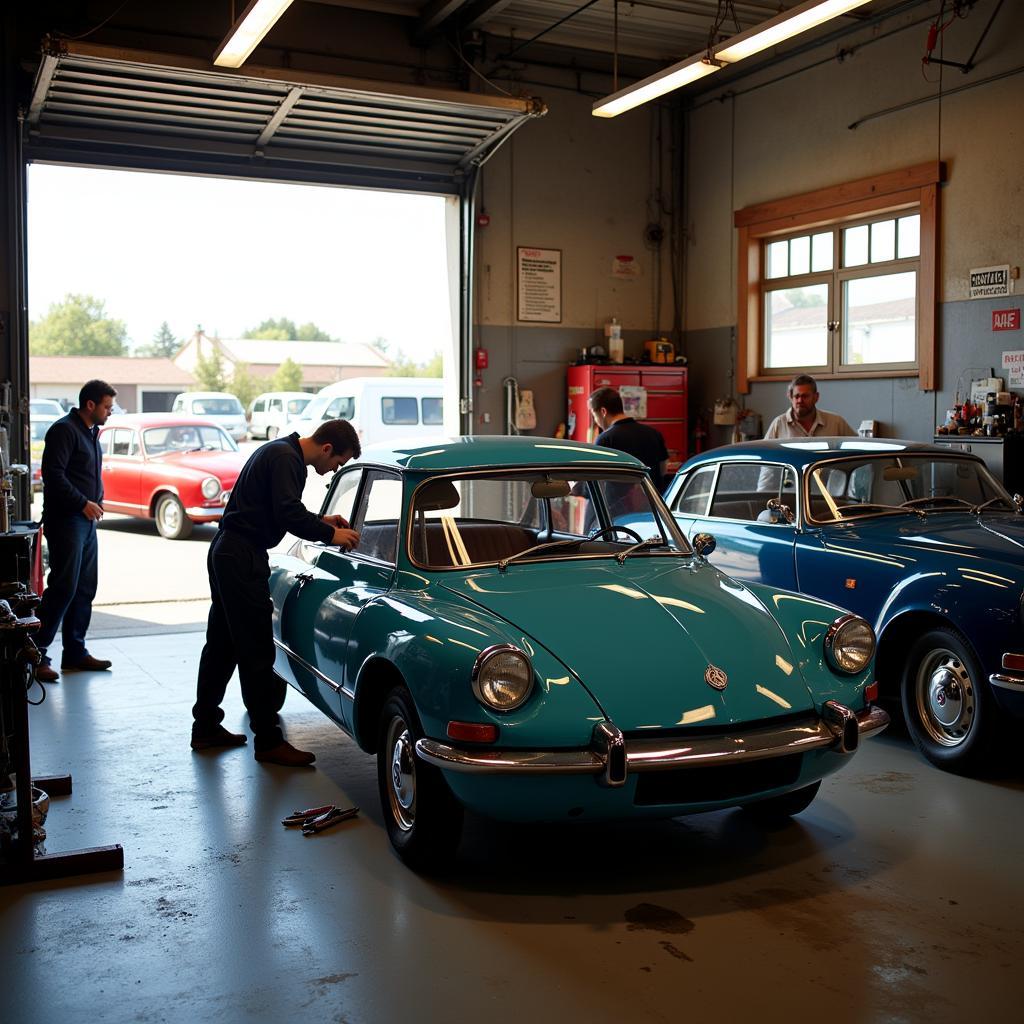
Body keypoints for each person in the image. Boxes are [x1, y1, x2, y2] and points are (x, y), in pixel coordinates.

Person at [190, 419, 361, 767]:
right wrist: (330, 536)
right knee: (255, 650)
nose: (333, 471)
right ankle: (268, 742)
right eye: (338, 463)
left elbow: (279, 509)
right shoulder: (287, 460)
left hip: (228, 550)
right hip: (241, 555)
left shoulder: (279, 451)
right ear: (327, 449)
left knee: (222, 646)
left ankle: (205, 726)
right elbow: (287, 512)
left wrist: (322, 519)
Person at [34, 379, 117, 683]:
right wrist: (83, 503)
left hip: (86, 521)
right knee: (63, 587)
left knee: (85, 586)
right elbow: (53, 475)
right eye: (107, 406)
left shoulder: (92, 432)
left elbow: (88, 473)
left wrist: (98, 499)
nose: (110, 412)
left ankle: (75, 652)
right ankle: (36, 654)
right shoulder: (64, 430)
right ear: (90, 405)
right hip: (67, 520)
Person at [588, 386, 669, 492]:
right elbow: (663, 470)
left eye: (594, 415)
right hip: (652, 503)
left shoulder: (605, 439)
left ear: (603, 411)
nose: (596, 421)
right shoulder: (654, 433)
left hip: (619, 505)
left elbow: (598, 482)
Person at [763, 374, 855, 439]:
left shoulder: (836, 423)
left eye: (805, 396)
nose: (800, 401)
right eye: (796, 396)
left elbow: (857, 448)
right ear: (790, 397)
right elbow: (765, 460)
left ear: (816, 397)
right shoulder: (778, 424)